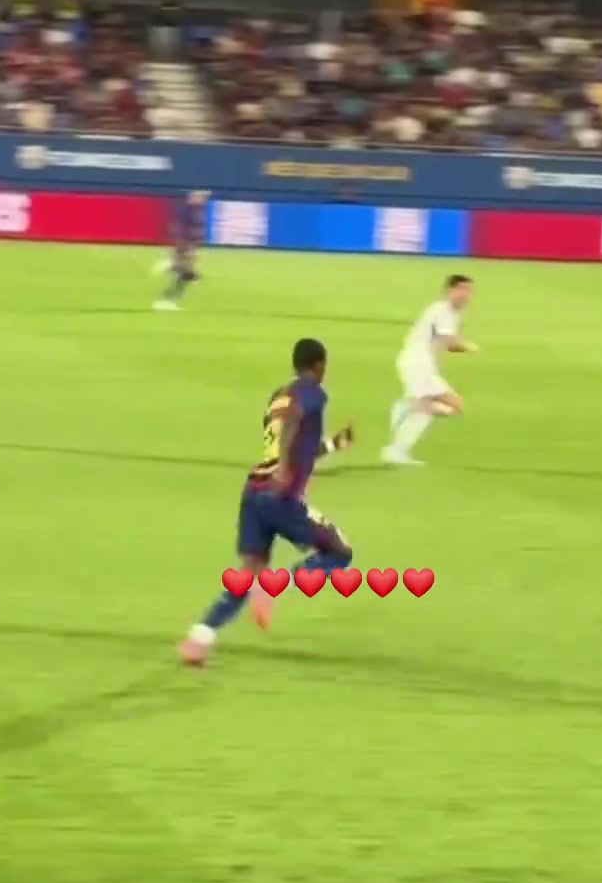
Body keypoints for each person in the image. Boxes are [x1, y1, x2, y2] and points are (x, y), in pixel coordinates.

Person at [180, 338, 355, 667]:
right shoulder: (312, 392)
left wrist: (333, 445)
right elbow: (292, 426)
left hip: (255, 493)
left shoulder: (278, 396)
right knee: (340, 552)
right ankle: (275, 587)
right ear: (319, 365)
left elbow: (294, 444)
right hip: (282, 497)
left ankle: (200, 636)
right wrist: (287, 469)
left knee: (247, 576)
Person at [382, 275, 478, 466]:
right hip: (417, 364)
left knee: (451, 407)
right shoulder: (442, 311)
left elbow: (445, 343)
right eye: (462, 289)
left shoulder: (451, 314)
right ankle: (405, 414)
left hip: (422, 365)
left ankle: (398, 445)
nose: (466, 294)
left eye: (469, 290)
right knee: (434, 408)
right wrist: (468, 346)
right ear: (449, 291)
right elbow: (449, 342)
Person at [153, 190, 209, 311]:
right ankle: (171, 266)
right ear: (192, 197)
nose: (203, 200)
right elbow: (179, 228)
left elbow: (197, 229)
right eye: (200, 197)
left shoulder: (198, 211)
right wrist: (183, 245)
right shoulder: (186, 210)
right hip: (186, 244)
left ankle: (168, 300)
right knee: (187, 273)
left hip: (193, 245)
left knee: (186, 276)